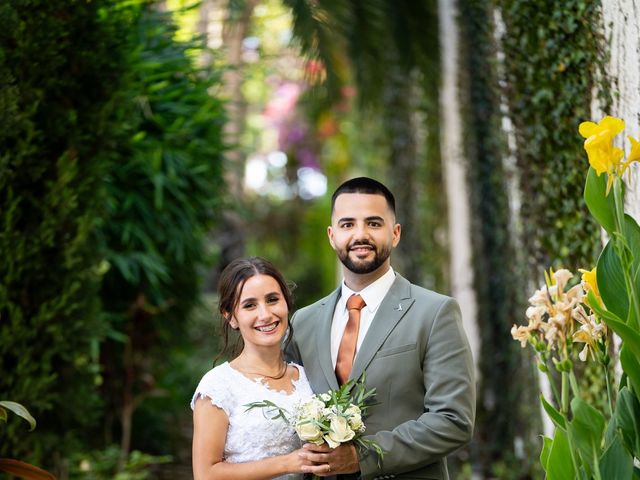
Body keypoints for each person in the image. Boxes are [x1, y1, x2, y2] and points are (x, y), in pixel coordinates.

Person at [286, 177, 476, 480]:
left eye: (373, 223)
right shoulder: (304, 322)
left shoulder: (435, 312)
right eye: (348, 225)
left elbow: (453, 421)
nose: (360, 235)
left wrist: (363, 457)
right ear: (332, 235)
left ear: (395, 233)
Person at [191, 257, 315, 480]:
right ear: (230, 317)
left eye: (272, 300)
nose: (265, 314)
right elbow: (206, 474)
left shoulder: (308, 377)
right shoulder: (219, 386)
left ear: (286, 303)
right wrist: (286, 463)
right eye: (249, 305)